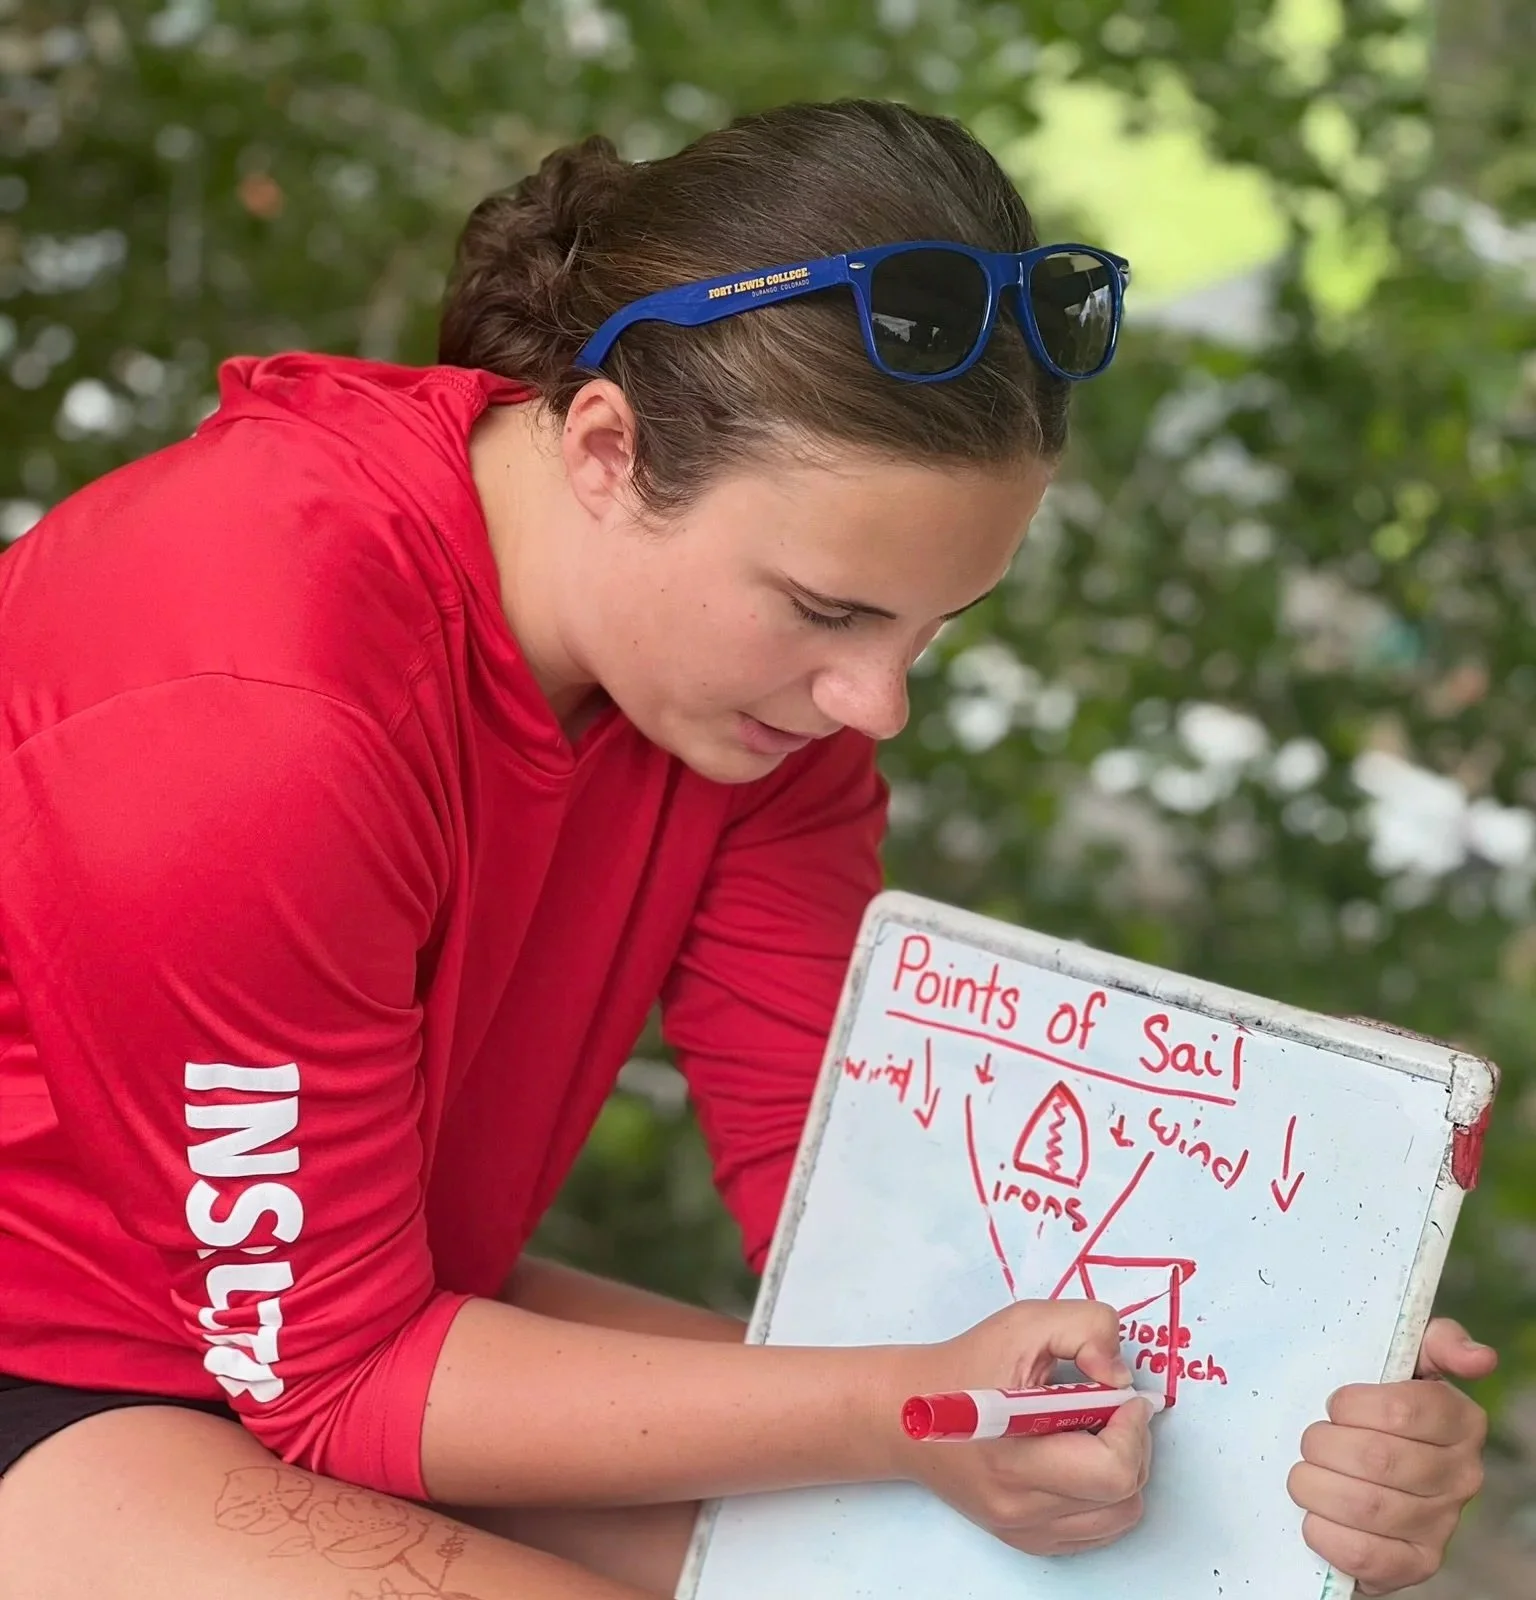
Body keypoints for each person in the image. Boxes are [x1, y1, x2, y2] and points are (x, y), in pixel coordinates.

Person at [0, 98, 1493, 1600]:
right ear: (604, 445)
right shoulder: (252, 708)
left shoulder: (754, 709)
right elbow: (339, 1381)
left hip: (338, 1316)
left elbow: (856, 1193)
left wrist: (1286, 1363)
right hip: (73, 1351)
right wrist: (922, 1413)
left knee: (1129, 1538)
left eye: (931, 629)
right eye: (829, 612)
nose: (877, 703)